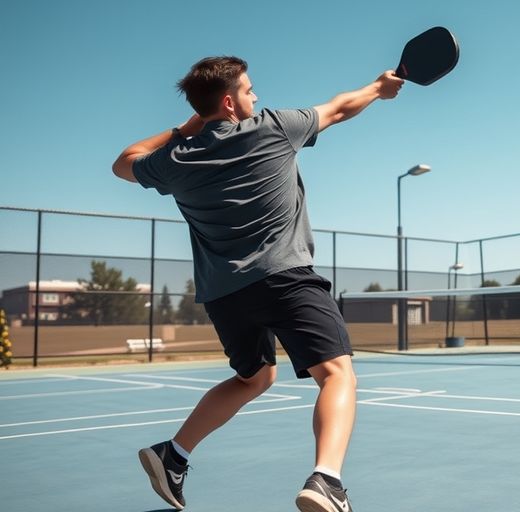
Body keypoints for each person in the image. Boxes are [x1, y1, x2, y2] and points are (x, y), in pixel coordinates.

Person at [113, 55, 403, 512]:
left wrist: (189, 127)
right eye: (249, 90)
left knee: (254, 377)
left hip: (225, 296)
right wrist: (380, 87)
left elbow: (123, 162)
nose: (257, 97)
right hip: (285, 277)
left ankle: (174, 455)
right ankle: (326, 480)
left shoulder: (175, 161)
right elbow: (341, 108)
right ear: (230, 103)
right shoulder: (274, 128)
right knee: (337, 372)